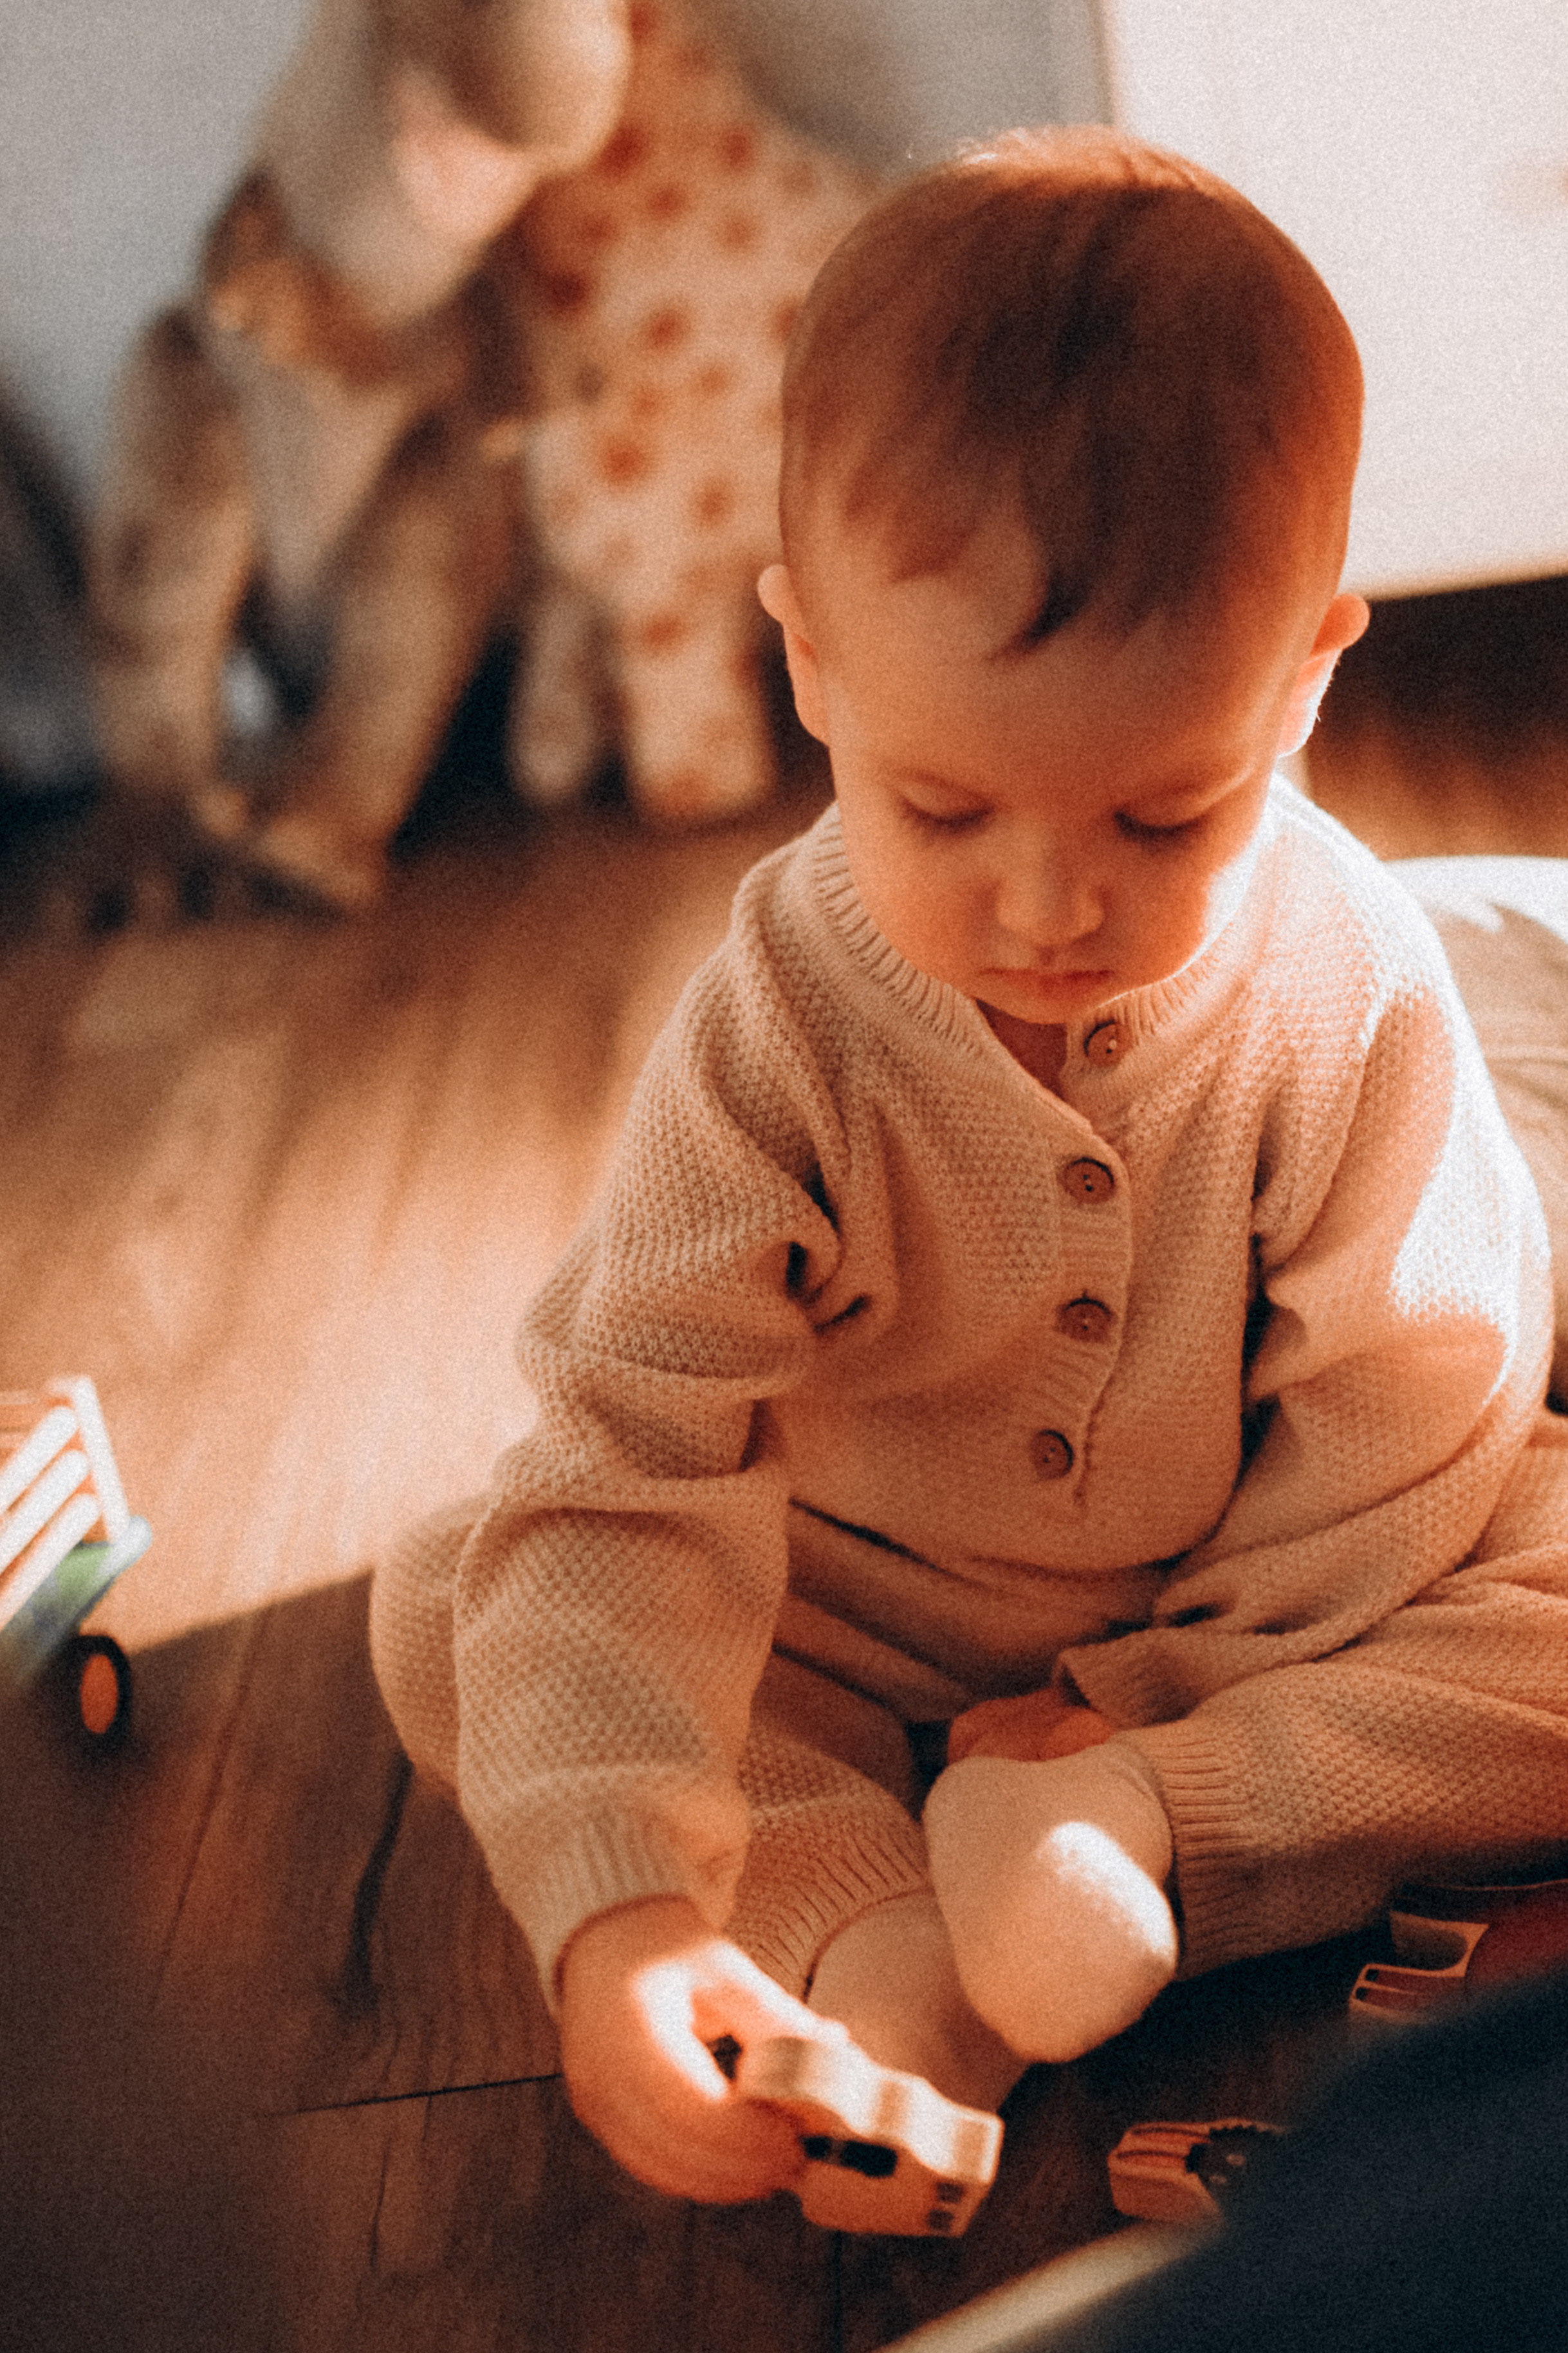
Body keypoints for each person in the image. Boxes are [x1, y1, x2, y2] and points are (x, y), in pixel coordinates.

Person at [370, 127, 1568, 2210]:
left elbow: (1419, 1411)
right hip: (833, 1606)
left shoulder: (1348, 977)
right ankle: (870, 1949)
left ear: (1303, 686)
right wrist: (628, 1914)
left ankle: (1145, 1832)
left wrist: (1141, 1704)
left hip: (1269, 1615)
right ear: (811, 663)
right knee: (469, 1600)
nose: (1048, 908)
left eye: (1163, 819)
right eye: (942, 808)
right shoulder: (779, 1027)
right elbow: (638, 1460)